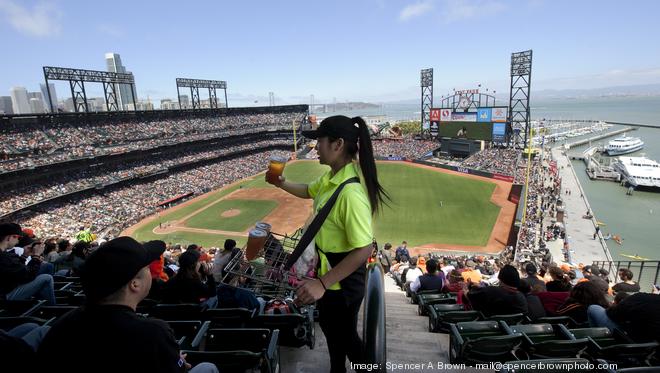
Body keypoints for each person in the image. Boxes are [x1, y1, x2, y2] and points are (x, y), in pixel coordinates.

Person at [267, 115, 389, 373]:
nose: (315, 147)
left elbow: (364, 249)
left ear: (337, 144)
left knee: (346, 338)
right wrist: (282, 183)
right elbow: (309, 190)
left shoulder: (350, 195)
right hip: (329, 277)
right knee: (334, 333)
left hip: (341, 282)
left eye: (319, 141)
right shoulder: (332, 178)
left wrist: (322, 283)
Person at [36, 236, 218, 373]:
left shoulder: (62, 325)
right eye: (146, 268)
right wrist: (175, 361)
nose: (150, 271)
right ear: (134, 284)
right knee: (207, 366)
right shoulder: (153, 332)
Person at [0, 223, 56, 305]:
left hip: (5, 289)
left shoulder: (4, 255)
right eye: (18, 237)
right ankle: (51, 312)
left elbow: (15, 271)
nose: (18, 240)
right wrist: (36, 256)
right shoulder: (4, 256)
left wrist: (24, 255)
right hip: (4, 297)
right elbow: (27, 276)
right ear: (9, 237)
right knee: (47, 278)